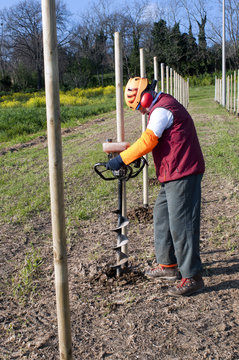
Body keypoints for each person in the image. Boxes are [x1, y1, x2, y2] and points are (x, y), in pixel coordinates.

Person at [106, 77, 205, 296]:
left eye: (139, 107)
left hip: (183, 172)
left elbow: (148, 141)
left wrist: (122, 159)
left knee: (183, 225)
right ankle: (168, 265)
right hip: (172, 172)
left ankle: (192, 277)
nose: (140, 112)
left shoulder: (162, 110)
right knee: (161, 217)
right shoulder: (159, 107)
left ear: (146, 96)